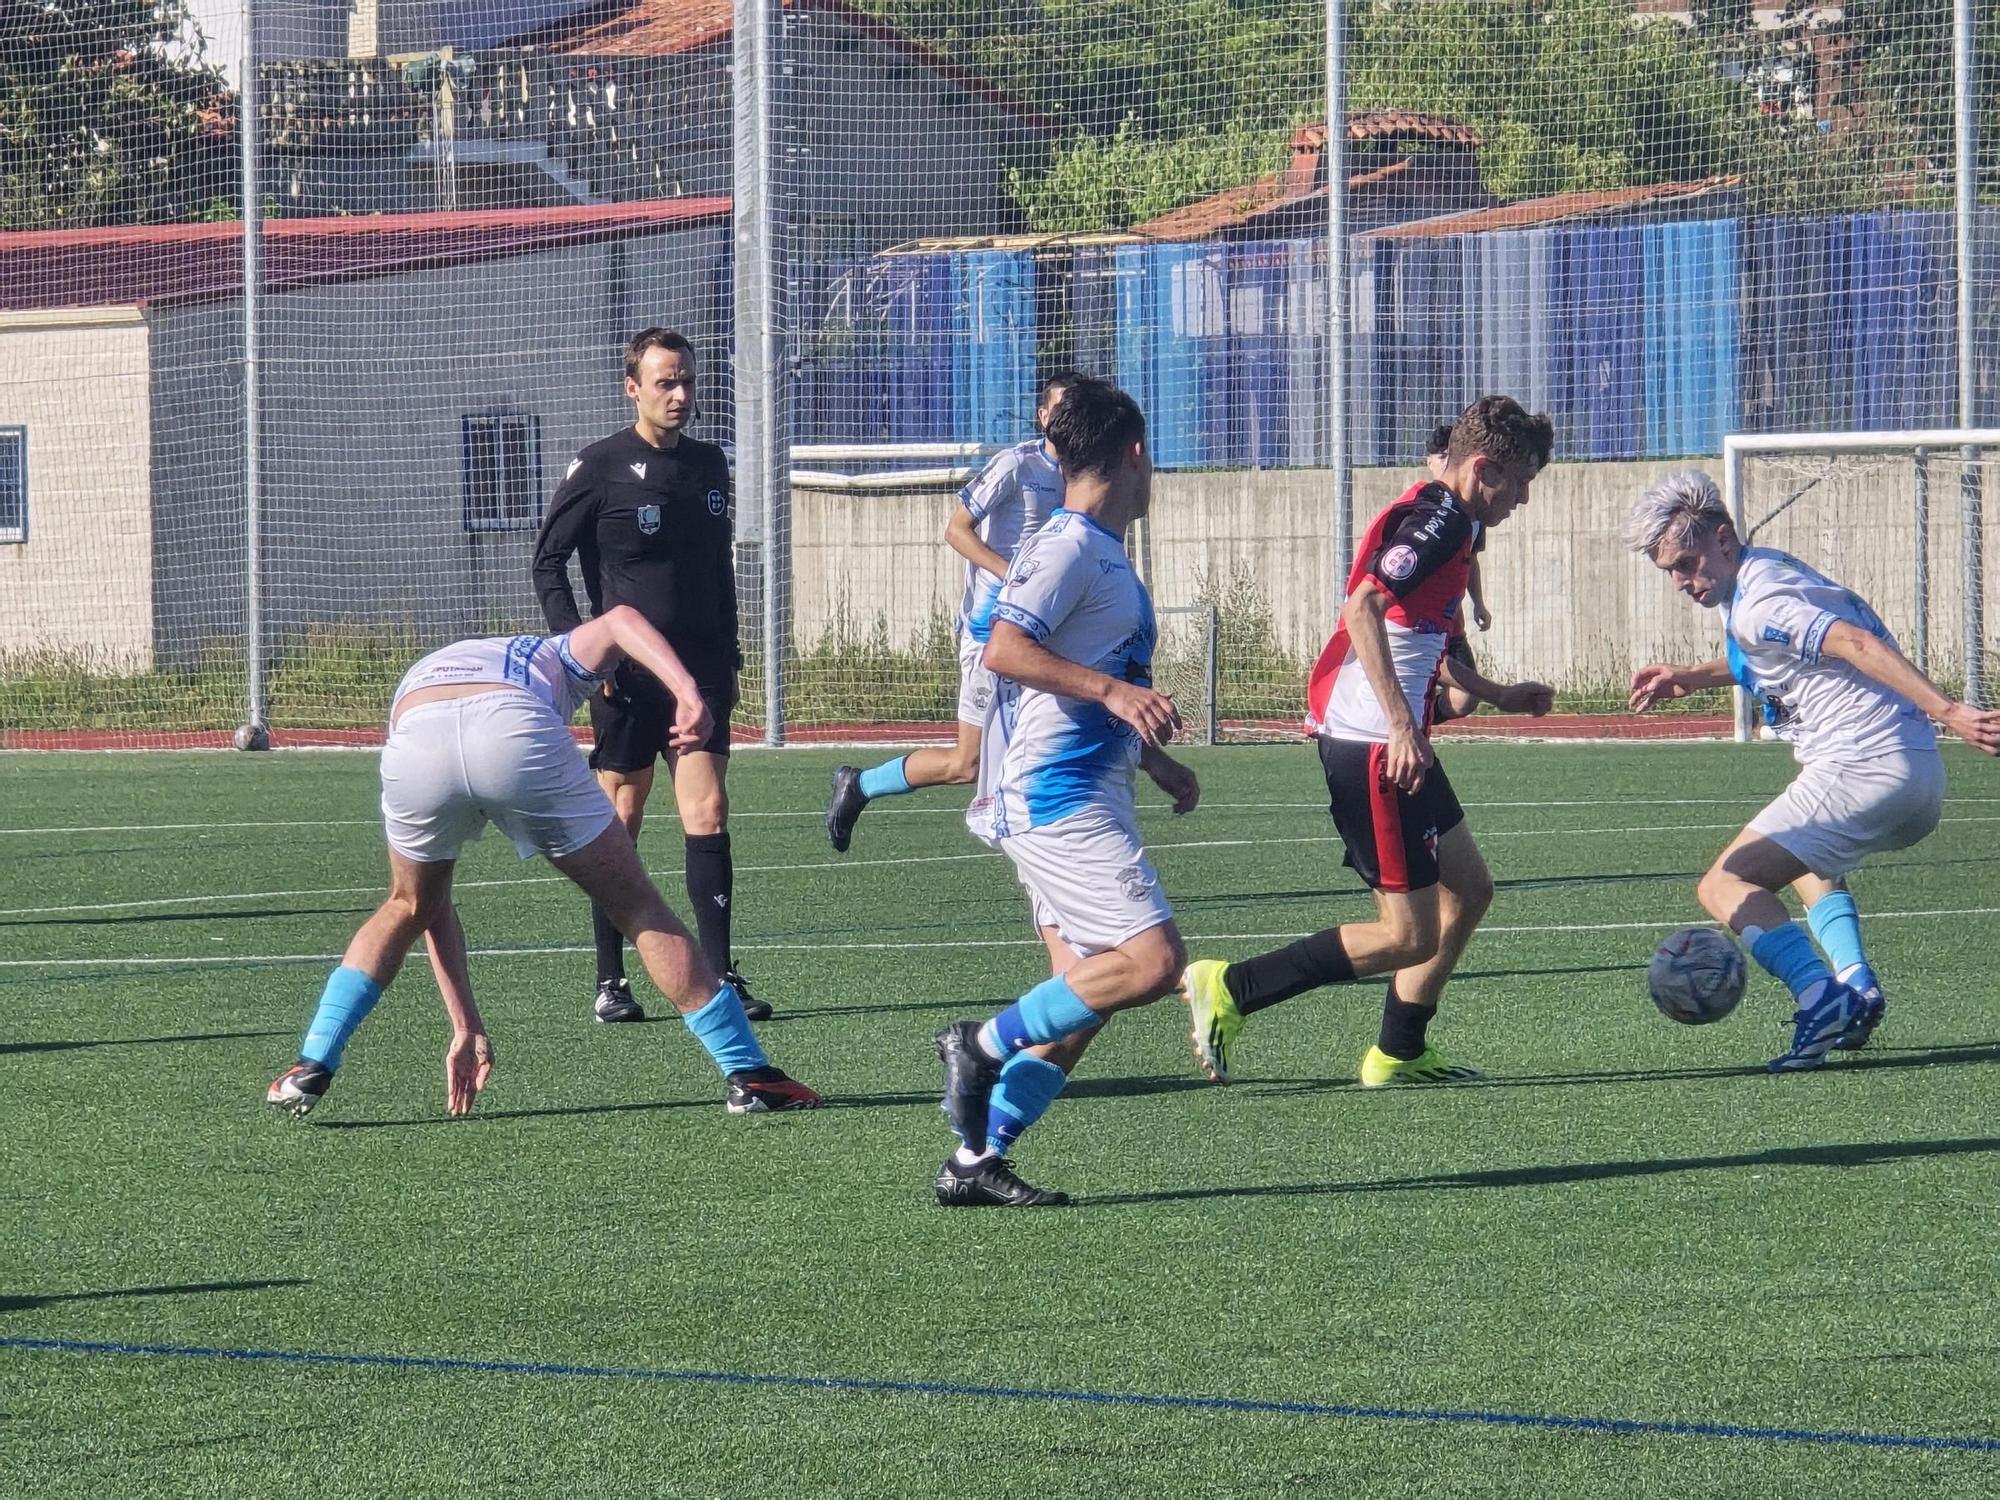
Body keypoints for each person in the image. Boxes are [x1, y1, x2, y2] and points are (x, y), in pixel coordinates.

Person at [264, 606, 822, 1119]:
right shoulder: (552, 653)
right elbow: (624, 617)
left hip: (417, 739)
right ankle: (750, 1075)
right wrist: (687, 692)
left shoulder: (435, 665)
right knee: (636, 906)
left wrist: (465, 1024)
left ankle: (312, 1061)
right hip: (511, 725)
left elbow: (434, 911)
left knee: (406, 903)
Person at [1179, 396, 1556, 1087]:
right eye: (1522, 481)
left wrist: (1498, 694)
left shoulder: (1452, 520)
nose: (1525, 499)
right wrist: (1400, 725)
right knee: (1407, 934)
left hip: (1393, 739)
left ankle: (1399, 1050)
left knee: (1469, 891)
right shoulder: (1442, 522)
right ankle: (1232, 987)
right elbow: (1364, 610)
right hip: (1373, 745)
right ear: (1484, 469)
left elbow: (1415, 634)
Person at [1621, 469, 2000, 1071]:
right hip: (1910, 771)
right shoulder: (1763, 574)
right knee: (1804, 862)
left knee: (1723, 884)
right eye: (1669, 570)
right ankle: (1855, 982)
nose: (1680, 582)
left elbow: (1852, 643)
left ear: (1723, 539)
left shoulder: (1760, 602)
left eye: (1687, 562)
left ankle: (1821, 998)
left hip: (1863, 765)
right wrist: (1692, 676)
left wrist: (1949, 709)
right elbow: (1778, 651)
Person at [932, 378, 1200, 1209]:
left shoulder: (1095, 548)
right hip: (1057, 797)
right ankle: (977, 1045)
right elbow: (1006, 650)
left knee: (1082, 998)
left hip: (1082, 785)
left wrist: (1152, 758)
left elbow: (1091, 671)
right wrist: (1116, 697)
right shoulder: (1070, 545)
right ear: (1134, 454)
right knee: (1153, 963)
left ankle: (976, 1159)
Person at [532, 327, 771, 1025]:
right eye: (665, 382)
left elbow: (718, 573)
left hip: (699, 674)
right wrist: (582, 653)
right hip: (625, 680)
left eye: (688, 380)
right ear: (631, 387)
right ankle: (612, 980)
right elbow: (548, 562)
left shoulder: (709, 464)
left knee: (708, 810)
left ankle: (721, 973)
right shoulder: (600, 466)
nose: (680, 394)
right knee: (621, 821)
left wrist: (729, 654)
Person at [824, 372, 1078, 852]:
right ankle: (859, 785)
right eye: (1059, 409)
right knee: (969, 764)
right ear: (1042, 416)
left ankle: (1058, 850)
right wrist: (1013, 575)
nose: (1067, 419)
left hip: (1044, 634)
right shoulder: (1015, 466)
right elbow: (957, 530)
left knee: (1054, 739)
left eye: (1076, 409)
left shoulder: (1082, 475)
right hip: (991, 634)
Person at [1423, 421, 1493, 725]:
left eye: (1450, 454)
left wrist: (1478, 602)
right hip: (1417, 628)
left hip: (1451, 625)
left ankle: (1419, 719)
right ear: (1428, 461)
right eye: (1440, 455)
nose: (1445, 461)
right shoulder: (1420, 509)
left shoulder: (1473, 515)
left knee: (1465, 697)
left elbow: (1471, 560)